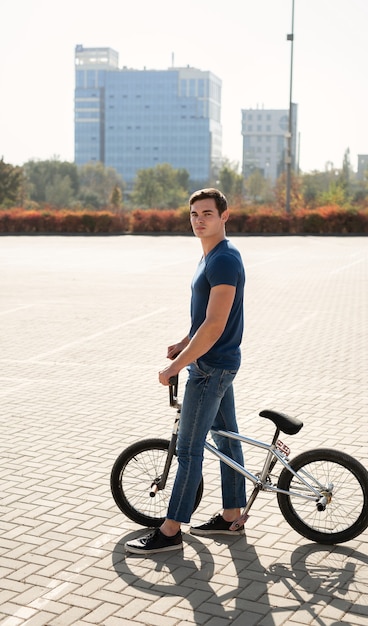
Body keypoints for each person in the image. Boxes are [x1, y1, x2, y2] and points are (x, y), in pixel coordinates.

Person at [125, 188, 247, 555]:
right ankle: (230, 517)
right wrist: (183, 341)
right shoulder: (211, 256)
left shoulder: (223, 260)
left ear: (224, 216)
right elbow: (203, 321)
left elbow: (214, 326)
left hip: (210, 368)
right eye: (194, 214)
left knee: (190, 451)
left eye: (207, 213)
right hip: (216, 361)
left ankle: (171, 530)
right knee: (226, 440)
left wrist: (176, 366)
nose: (199, 219)